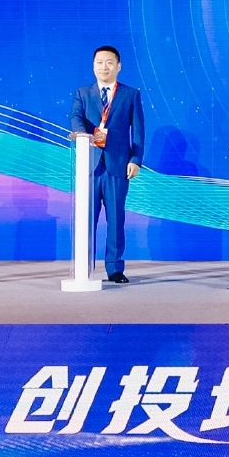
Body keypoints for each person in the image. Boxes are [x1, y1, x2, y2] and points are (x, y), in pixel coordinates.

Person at [69, 45, 145, 284]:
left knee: (116, 219)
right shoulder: (83, 93)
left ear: (118, 66)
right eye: (99, 62)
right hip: (89, 165)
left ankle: (114, 268)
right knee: (86, 219)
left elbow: (138, 131)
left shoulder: (131, 94)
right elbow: (75, 117)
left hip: (118, 165)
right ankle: (84, 266)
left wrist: (136, 159)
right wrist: (83, 136)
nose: (104, 67)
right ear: (93, 66)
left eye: (109, 62)